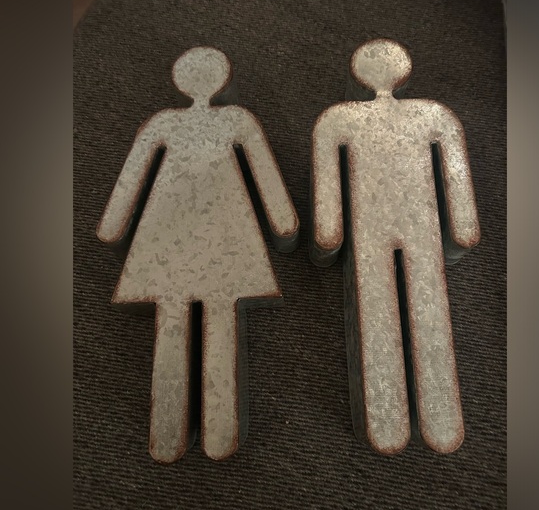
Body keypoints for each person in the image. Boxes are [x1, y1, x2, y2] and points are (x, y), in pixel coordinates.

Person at [97, 47, 299, 463]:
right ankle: (217, 429)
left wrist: (112, 228)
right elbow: (268, 181)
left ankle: (170, 432)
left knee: (172, 318)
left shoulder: (162, 123)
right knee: (219, 315)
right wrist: (283, 225)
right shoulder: (238, 120)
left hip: (166, 235)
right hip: (227, 232)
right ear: (221, 81)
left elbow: (129, 184)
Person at [310, 39, 480, 454]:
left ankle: (387, 423)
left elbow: (328, 203)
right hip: (421, 228)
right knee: (429, 309)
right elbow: (460, 198)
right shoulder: (435, 114)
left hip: (370, 230)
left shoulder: (337, 119)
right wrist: (459, 236)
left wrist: (327, 243)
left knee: (377, 312)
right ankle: (439, 419)